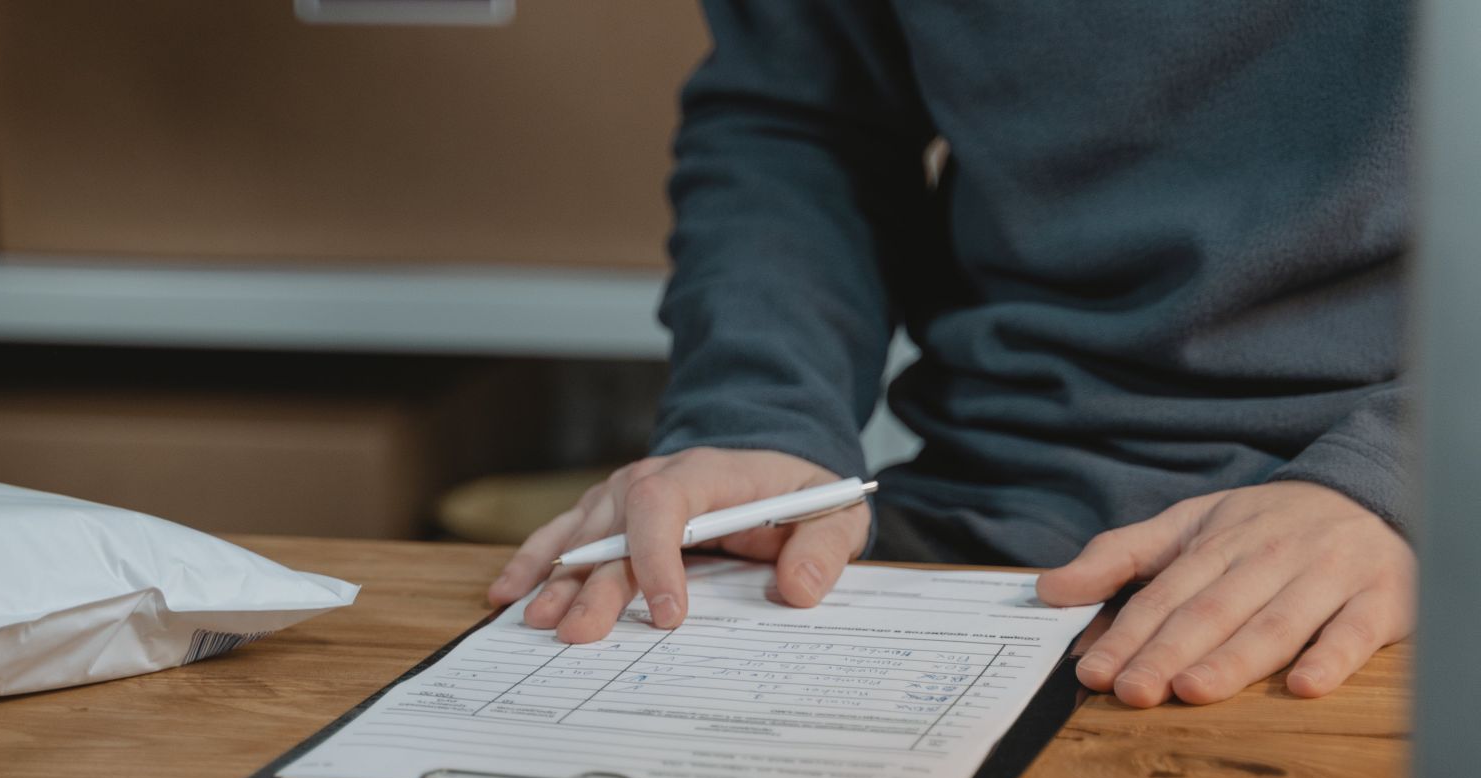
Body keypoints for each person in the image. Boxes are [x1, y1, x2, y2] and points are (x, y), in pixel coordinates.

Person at [489, 1, 1416, 709]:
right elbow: (804, 119)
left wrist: (1407, 478)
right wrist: (760, 416)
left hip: (1395, 540)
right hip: (989, 539)